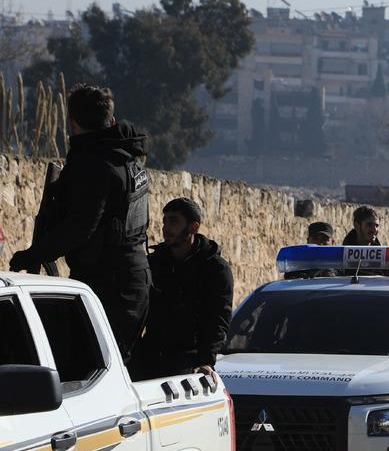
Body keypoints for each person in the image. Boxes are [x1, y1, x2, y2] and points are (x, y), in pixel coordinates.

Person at [8, 84, 150, 363]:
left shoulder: (95, 165)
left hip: (109, 284)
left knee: (90, 368)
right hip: (132, 280)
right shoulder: (127, 159)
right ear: (110, 119)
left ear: (71, 123)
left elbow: (80, 228)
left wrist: (32, 255)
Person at [133, 198, 233, 379]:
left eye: (173, 221)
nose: (165, 228)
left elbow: (218, 318)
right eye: (165, 221)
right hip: (150, 356)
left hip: (189, 360)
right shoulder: (153, 264)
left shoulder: (216, 269)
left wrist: (206, 361)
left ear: (194, 227)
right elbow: (138, 309)